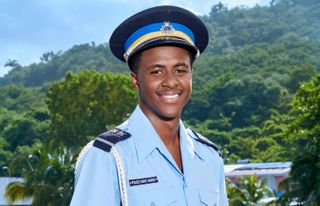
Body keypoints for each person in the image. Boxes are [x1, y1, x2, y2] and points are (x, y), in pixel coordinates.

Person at [70, 5, 228, 206]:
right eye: (157, 71)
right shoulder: (108, 158)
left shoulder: (209, 157)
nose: (171, 82)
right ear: (136, 80)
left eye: (180, 70)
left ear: (191, 75)